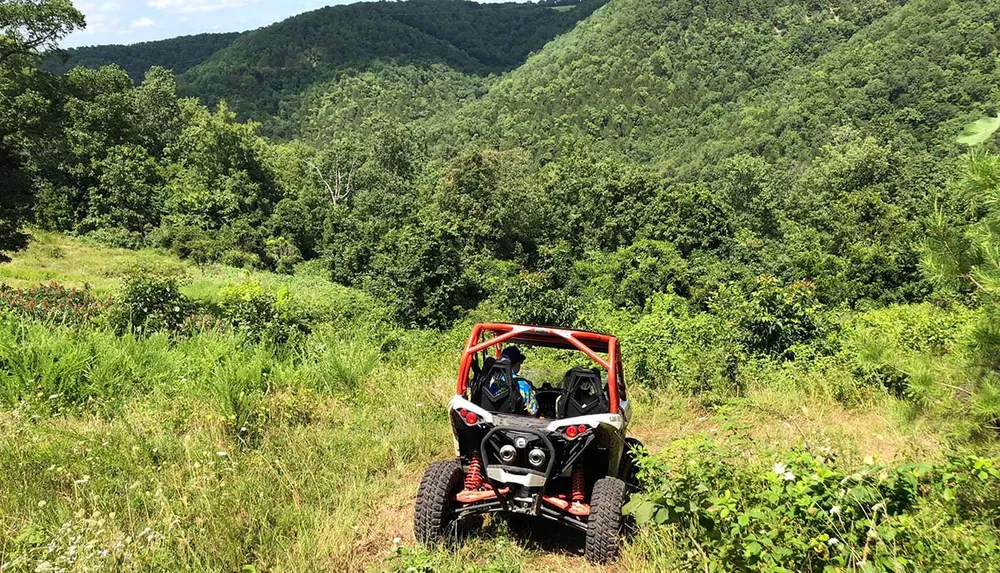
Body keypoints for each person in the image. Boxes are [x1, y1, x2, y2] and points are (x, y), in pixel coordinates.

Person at [493, 346, 538, 416]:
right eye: (520, 363)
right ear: (517, 364)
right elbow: (533, 410)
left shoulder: (491, 380)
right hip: (515, 424)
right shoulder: (523, 385)